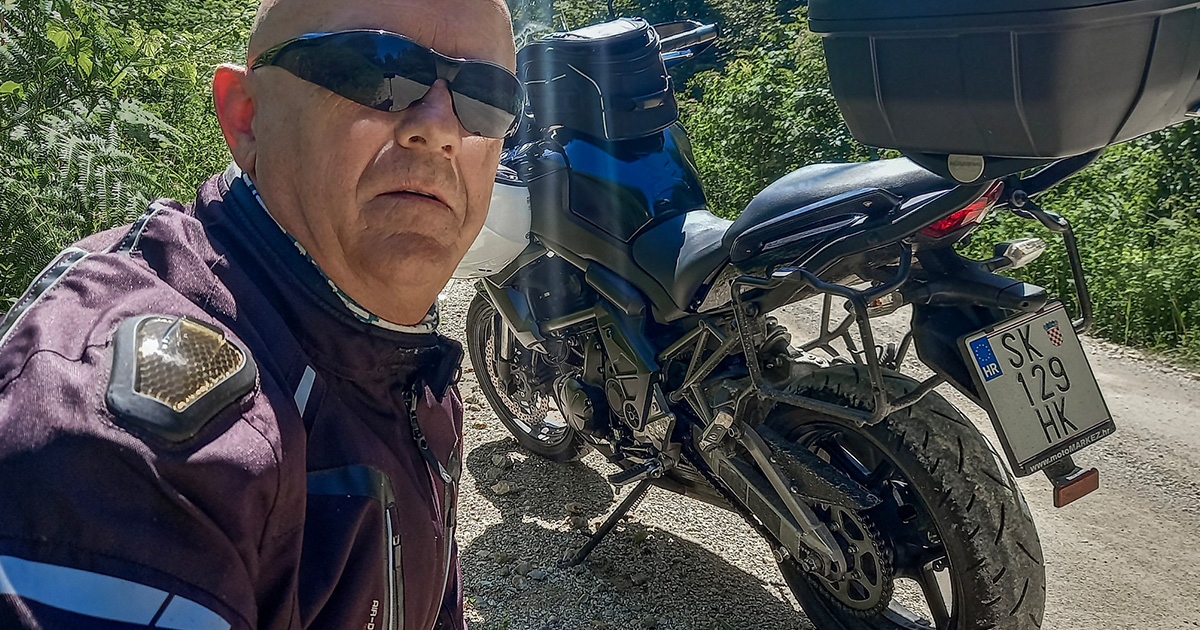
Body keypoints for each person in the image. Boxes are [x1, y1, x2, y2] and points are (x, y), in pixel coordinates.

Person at [0, 0, 522, 628]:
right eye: (378, 68)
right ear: (247, 117)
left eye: (484, 97)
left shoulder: (397, 352)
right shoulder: (119, 435)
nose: (440, 128)